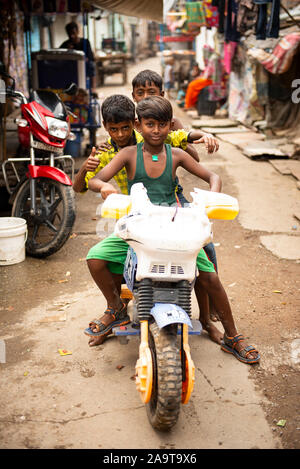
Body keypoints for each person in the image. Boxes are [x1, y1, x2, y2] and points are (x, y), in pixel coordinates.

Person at [84, 96, 260, 365]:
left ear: (170, 126)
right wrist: (104, 187)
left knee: (210, 277)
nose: (156, 130)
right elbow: (96, 178)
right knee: (95, 259)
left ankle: (232, 336)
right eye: (150, 124)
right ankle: (116, 307)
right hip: (139, 226)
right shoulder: (127, 154)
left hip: (175, 226)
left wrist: (211, 199)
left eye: (162, 124)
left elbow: (214, 176)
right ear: (138, 125)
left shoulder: (177, 154)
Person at [60, 21, 97, 94]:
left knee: (91, 65)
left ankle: (93, 89)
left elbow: (90, 57)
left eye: (73, 33)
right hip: (70, 67)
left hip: (84, 66)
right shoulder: (65, 44)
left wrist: (85, 59)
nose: (72, 36)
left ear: (77, 31)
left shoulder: (85, 42)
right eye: (70, 34)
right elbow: (60, 55)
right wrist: (67, 51)